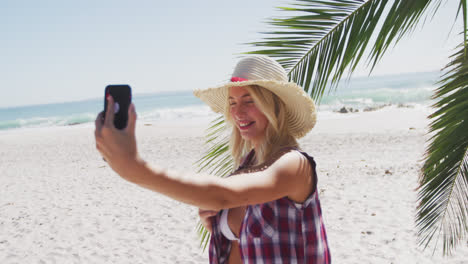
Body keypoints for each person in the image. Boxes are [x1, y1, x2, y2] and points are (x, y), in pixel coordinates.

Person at [95, 55, 331, 263]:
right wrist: (218, 226)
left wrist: (134, 169)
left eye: (249, 101)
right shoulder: (247, 166)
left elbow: (222, 194)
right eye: (232, 103)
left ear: (275, 107)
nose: (238, 112)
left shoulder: (295, 165)